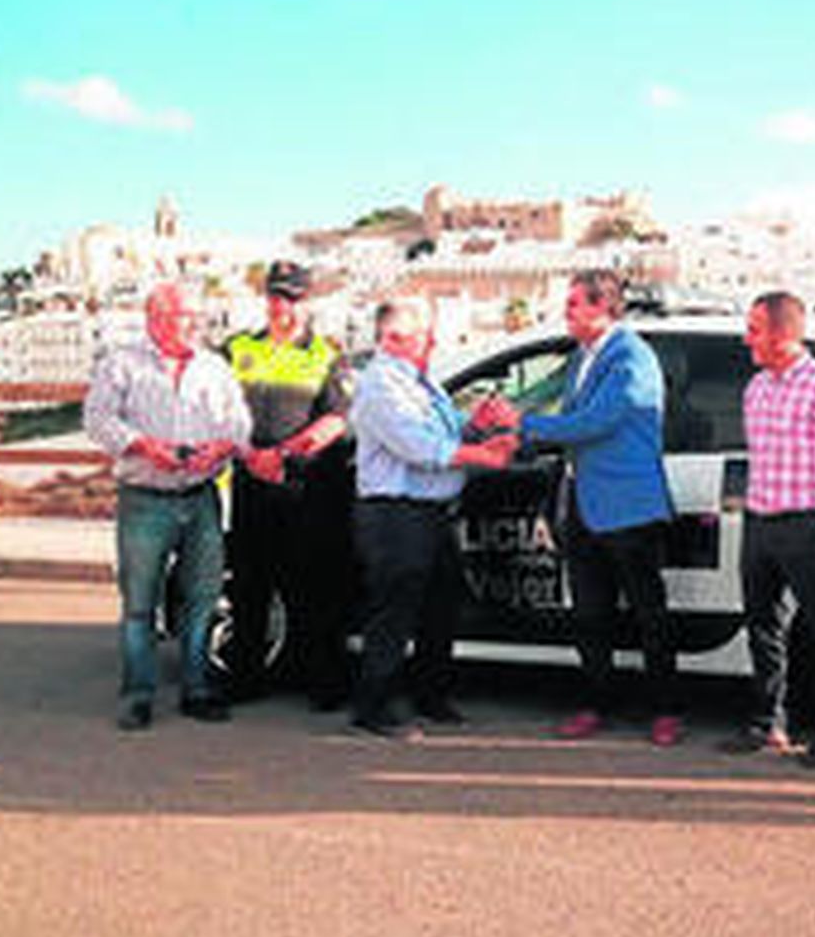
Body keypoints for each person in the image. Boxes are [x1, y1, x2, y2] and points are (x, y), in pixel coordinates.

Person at [501, 270, 683, 747]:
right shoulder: (583, 357)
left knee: (648, 614)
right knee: (589, 612)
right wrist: (514, 424)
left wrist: (523, 422)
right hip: (583, 503)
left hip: (629, 505)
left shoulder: (632, 357)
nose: (568, 312)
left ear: (604, 308)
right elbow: (560, 415)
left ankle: (665, 709)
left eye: (576, 304)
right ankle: (597, 702)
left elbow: (594, 422)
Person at [83, 282, 252, 731]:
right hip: (145, 500)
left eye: (197, 316)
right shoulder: (121, 365)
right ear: (156, 318)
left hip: (201, 498)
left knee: (201, 599)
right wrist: (142, 446)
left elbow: (239, 420)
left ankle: (196, 688)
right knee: (141, 604)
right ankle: (138, 694)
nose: (195, 324)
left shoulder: (214, 367)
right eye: (185, 316)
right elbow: (97, 419)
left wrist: (222, 446)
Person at [349, 299, 517, 737]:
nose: (433, 341)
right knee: (394, 611)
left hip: (429, 511)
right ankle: (374, 705)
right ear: (394, 339)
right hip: (395, 512)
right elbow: (418, 446)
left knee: (440, 606)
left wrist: (475, 425)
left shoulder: (420, 381)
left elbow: (443, 431)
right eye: (424, 334)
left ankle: (430, 693)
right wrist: (481, 454)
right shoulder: (381, 384)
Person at [720, 290, 815, 769]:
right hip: (761, 519)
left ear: (783, 334)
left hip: (809, 522)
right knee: (763, 626)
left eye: (754, 330)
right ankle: (768, 724)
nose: (747, 340)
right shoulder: (755, 388)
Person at [224, 260, 355, 710]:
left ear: (308, 302)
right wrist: (250, 455)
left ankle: (322, 681)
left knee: (315, 589)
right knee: (249, 587)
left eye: (294, 298)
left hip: (305, 489)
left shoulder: (325, 353)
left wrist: (282, 455)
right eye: (278, 297)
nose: (285, 307)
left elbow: (336, 419)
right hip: (250, 484)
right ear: (267, 300)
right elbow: (216, 411)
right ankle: (244, 679)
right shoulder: (237, 348)